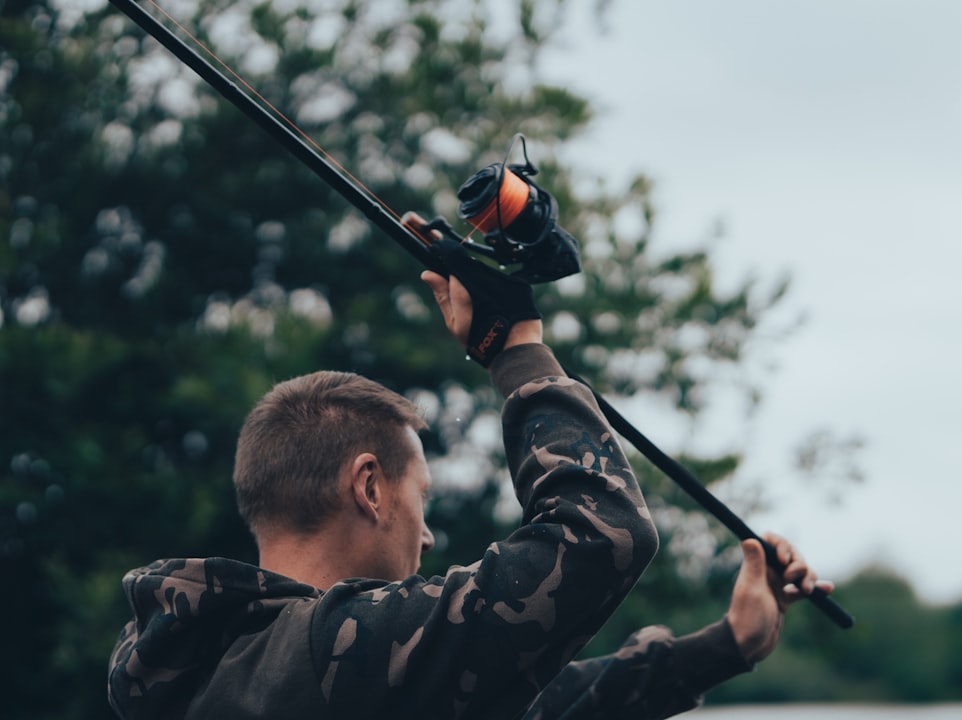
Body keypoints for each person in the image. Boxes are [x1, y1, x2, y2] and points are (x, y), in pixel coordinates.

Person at [107, 223, 833, 719]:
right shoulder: (326, 655)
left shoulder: (199, 665)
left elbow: (536, 700)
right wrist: (516, 349)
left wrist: (724, 646)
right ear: (368, 487)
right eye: (420, 499)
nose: (426, 539)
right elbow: (601, 536)